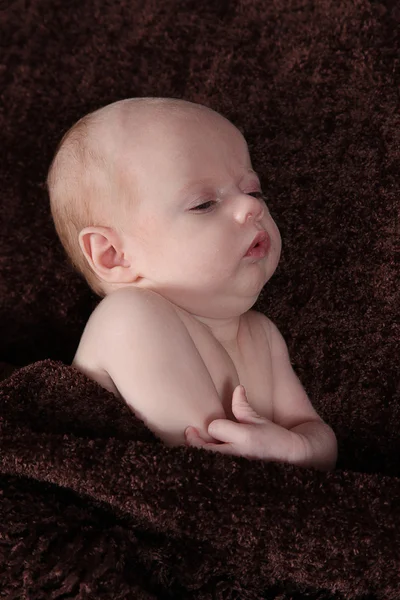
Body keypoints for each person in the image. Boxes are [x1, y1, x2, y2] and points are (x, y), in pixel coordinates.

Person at [47, 97, 338, 470]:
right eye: (204, 204)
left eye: (252, 191)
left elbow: (318, 436)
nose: (252, 208)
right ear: (113, 255)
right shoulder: (128, 317)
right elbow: (200, 471)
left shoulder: (262, 335)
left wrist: (295, 448)